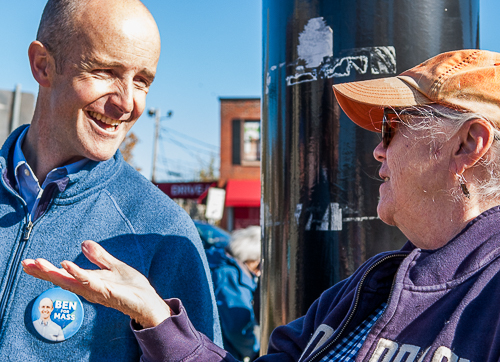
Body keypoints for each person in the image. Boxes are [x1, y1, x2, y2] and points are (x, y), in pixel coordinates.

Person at [23, 48, 500, 361]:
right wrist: (157, 316)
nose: (377, 149)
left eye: (392, 128)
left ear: (467, 145)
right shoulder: (365, 287)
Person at [1, 0, 221, 360]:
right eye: (105, 72)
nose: (127, 103)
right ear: (43, 66)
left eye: (142, 81)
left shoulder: (165, 232)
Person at [206, 226, 262, 361]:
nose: (259, 270)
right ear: (251, 259)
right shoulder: (230, 276)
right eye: (258, 263)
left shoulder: (220, 264)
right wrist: (255, 350)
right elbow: (237, 328)